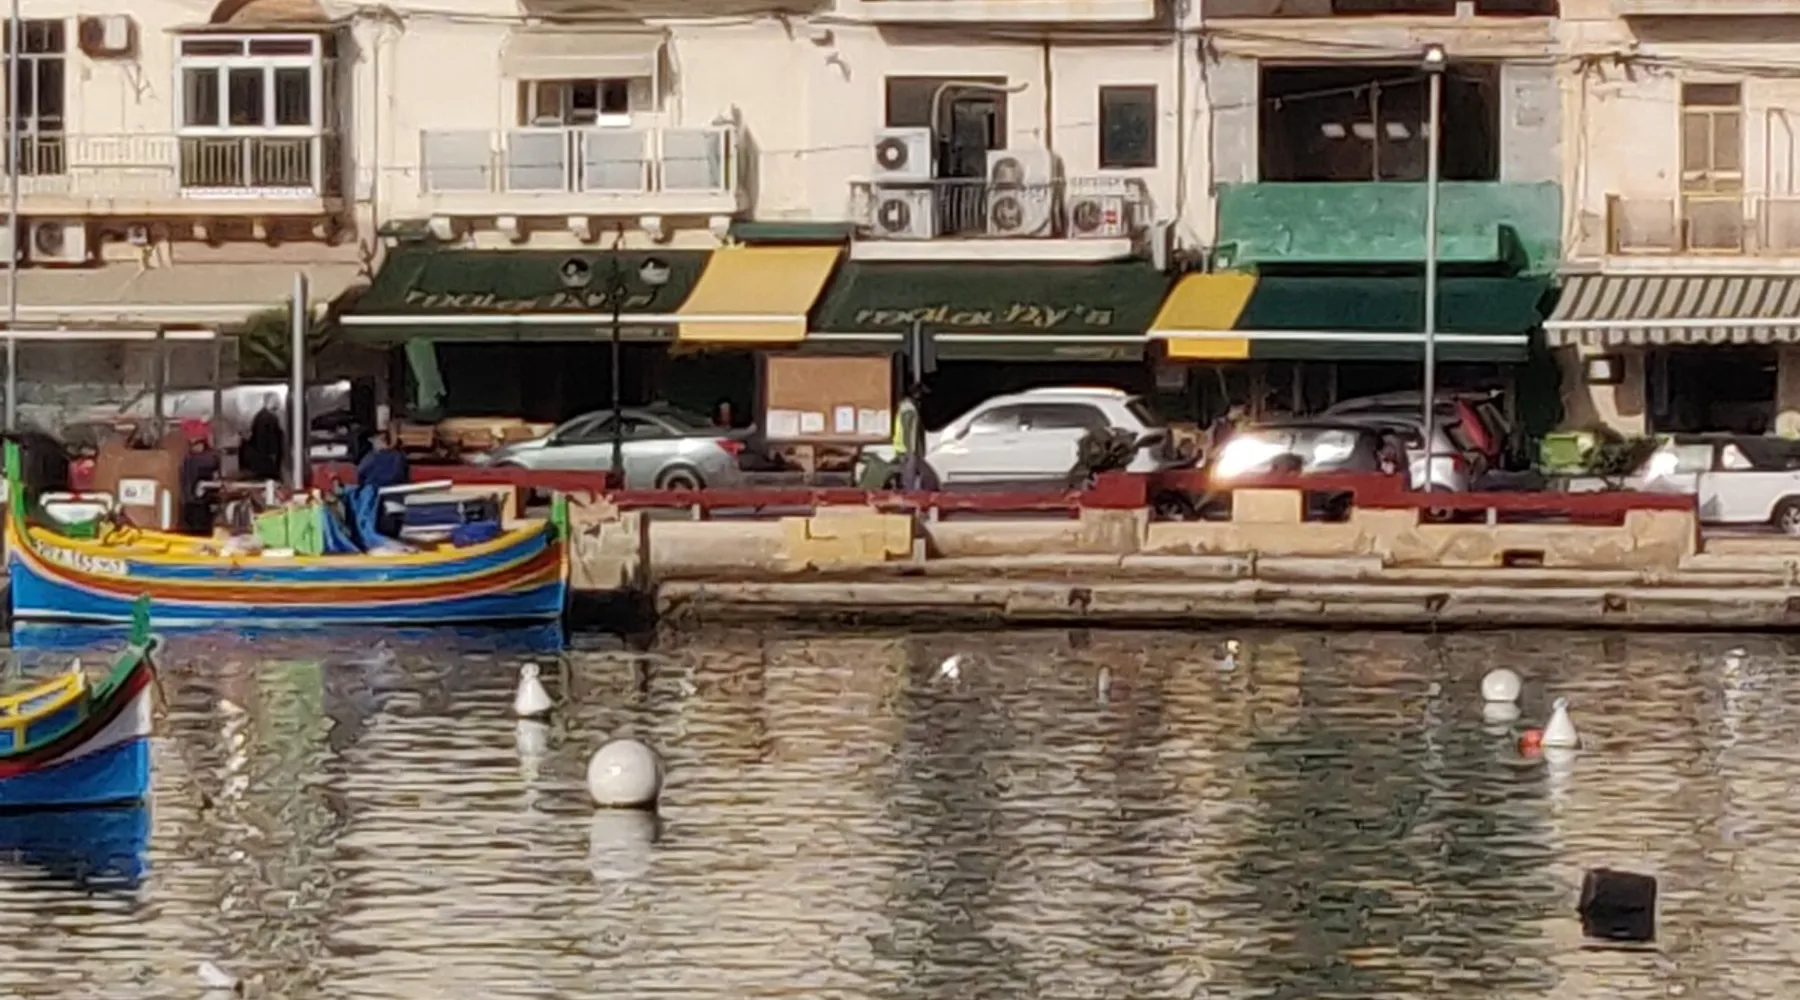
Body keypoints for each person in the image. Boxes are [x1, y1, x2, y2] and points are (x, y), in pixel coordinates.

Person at [178, 430, 222, 536]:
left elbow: (216, 480)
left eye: (196, 443)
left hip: (201, 503)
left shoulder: (208, 458)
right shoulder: (190, 458)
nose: (193, 447)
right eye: (191, 444)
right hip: (191, 503)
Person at [243, 393, 285, 482]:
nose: (279, 402)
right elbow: (267, 438)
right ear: (270, 401)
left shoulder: (261, 416)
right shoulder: (267, 418)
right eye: (276, 400)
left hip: (263, 457)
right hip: (266, 458)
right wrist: (272, 454)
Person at [892, 385, 924, 491]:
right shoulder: (909, 410)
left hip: (903, 448)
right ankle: (909, 496)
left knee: (906, 477)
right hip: (907, 449)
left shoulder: (904, 407)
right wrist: (911, 450)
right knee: (909, 478)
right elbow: (907, 431)